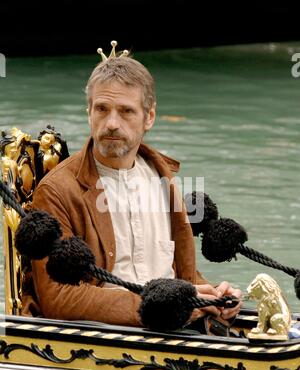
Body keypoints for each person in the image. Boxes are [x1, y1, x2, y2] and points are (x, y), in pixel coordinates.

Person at [21, 41, 242, 327]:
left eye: (126, 111)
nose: (112, 123)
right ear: (89, 113)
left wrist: (212, 297)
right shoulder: (57, 191)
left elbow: (174, 274)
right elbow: (60, 297)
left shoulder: (163, 178)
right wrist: (160, 307)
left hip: (175, 327)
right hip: (102, 344)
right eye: (102, 109)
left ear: (149, 117)